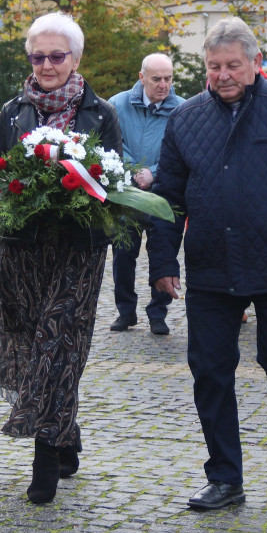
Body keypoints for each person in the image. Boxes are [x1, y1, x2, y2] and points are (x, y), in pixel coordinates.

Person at [149, 17, 267, 510]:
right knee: (210, 372)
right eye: (214, 67)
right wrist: (163, 262)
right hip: (211, 267)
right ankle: (225, 477)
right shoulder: (186, 118)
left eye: (233, 65)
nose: (223, 75)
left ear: (257, 63)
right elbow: (169, 197)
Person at [0, 11, 122, 505]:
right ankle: (65, 435)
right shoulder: (14, 112)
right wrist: (9, 198)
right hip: (24, 250)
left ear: (75, 58)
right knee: (33, 340)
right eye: (38, 57)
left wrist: (77, 192)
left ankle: (43, 457)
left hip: (78, 250)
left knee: (59, 341)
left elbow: (112, 184)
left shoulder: (101, 114)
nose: (47, 65)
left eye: (57, 56)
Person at [107, 52, 185, 335]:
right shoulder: (117, 104)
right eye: (156, 79)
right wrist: (134, 169)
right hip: (126, 193)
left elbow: (181, 151)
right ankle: (126, 311)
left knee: (163, 253)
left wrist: (153, 172)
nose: (164, 85)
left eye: (168, 79)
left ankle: (158, 313)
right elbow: (113, 143)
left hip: (164, 193)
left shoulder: (182, 109)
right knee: (123, 253)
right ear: (142, 78)